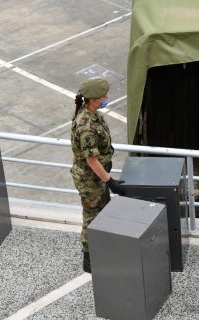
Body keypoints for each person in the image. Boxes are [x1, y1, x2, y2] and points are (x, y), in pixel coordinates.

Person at [70, 78, 126, 273]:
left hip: (97, 176)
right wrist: (110, 182)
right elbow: (91, 160)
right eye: (103, 97)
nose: (106, 99)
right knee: (92, 216)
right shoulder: (86, 125)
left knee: (102, 211)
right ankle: (89, 258)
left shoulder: (95, 115)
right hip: (90, 179)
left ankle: (101, 248)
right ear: (93, 100)